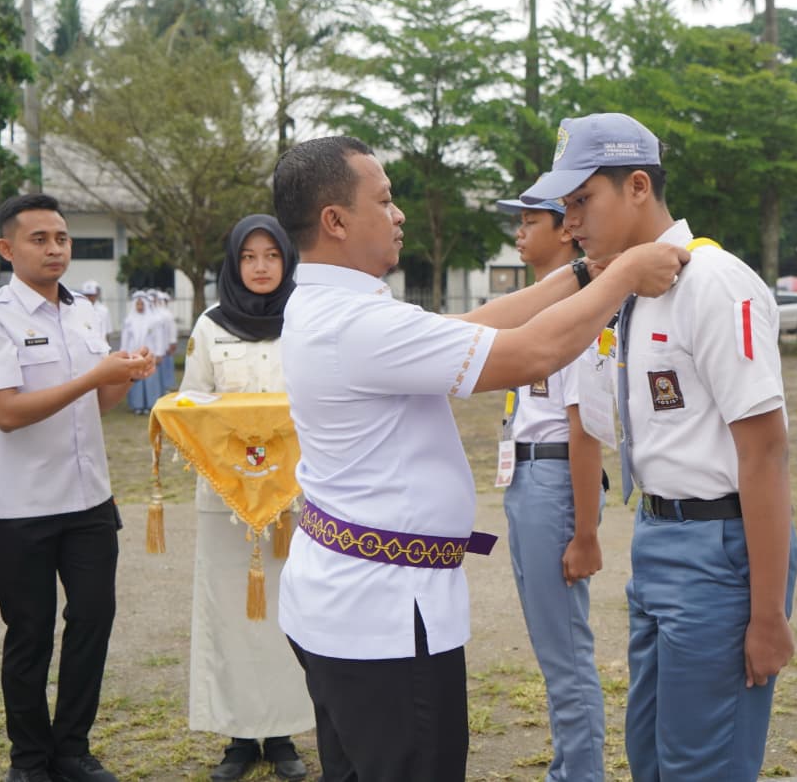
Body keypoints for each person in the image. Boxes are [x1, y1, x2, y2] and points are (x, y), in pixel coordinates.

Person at [274, 135, 686, 782]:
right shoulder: (353, 322)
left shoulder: (334, 306)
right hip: (384, 620)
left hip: (351, 606)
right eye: (384, 199)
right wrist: (628, 273)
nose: (398, 212)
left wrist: (581, 274)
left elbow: (475, 323)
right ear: (335, 220)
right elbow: (527, 353)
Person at [521, 113, 797, 781]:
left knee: (701, 764)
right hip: (657, 536)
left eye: (583, 201)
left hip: (717, 546)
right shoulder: (634, 288)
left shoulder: (713, 282)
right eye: (564, 208)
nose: (572, 222)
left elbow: (764, 453)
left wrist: (767, 614)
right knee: (650, 753)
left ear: (638, 185)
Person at [0, 194, 155, 782]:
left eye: (62, 239)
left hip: (90, 498)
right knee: (30, 634)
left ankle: (72, 748)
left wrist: (124, 375)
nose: (54, 249)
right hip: (21, 506)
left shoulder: (84, 313)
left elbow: (99, 402)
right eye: (39, 239)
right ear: (7, 248)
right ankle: (30, 757)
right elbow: (8, 413)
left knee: (92, 621)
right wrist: (93, 375)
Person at [179, 215, 313, 782]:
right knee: (232, 613)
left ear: (287, 261)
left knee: (288, 613)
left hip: (292, 499)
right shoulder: (210, 327)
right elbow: (191, 404)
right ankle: (238, 737)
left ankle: (282, 735)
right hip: (227, 498)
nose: (260, 267)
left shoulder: (304, 320)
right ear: (233, 266)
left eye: (271, 256)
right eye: (248, 258)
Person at [494, 196, 606, 781]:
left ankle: (580, 774)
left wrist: (585, 532)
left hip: (554, 476)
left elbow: (585, 429)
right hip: (529, 473)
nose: (520, 231)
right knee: (551, 643)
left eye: (530, 221)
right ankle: (570, 765)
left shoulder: (577, 312)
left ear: (566, 232)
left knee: (564, 651)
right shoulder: (545, 308)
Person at [122, 291, 161, 414]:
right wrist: (124, 352)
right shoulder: (129, 320)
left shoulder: (153, 320)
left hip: (150, 354)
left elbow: (157, 337)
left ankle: (151, 404)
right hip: (133, 354)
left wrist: (159, 353)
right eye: (137, 304)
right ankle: (137, 405)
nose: (140, 306)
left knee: (149, 379)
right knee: (136, 379)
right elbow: (125, 338)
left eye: (141, 304)